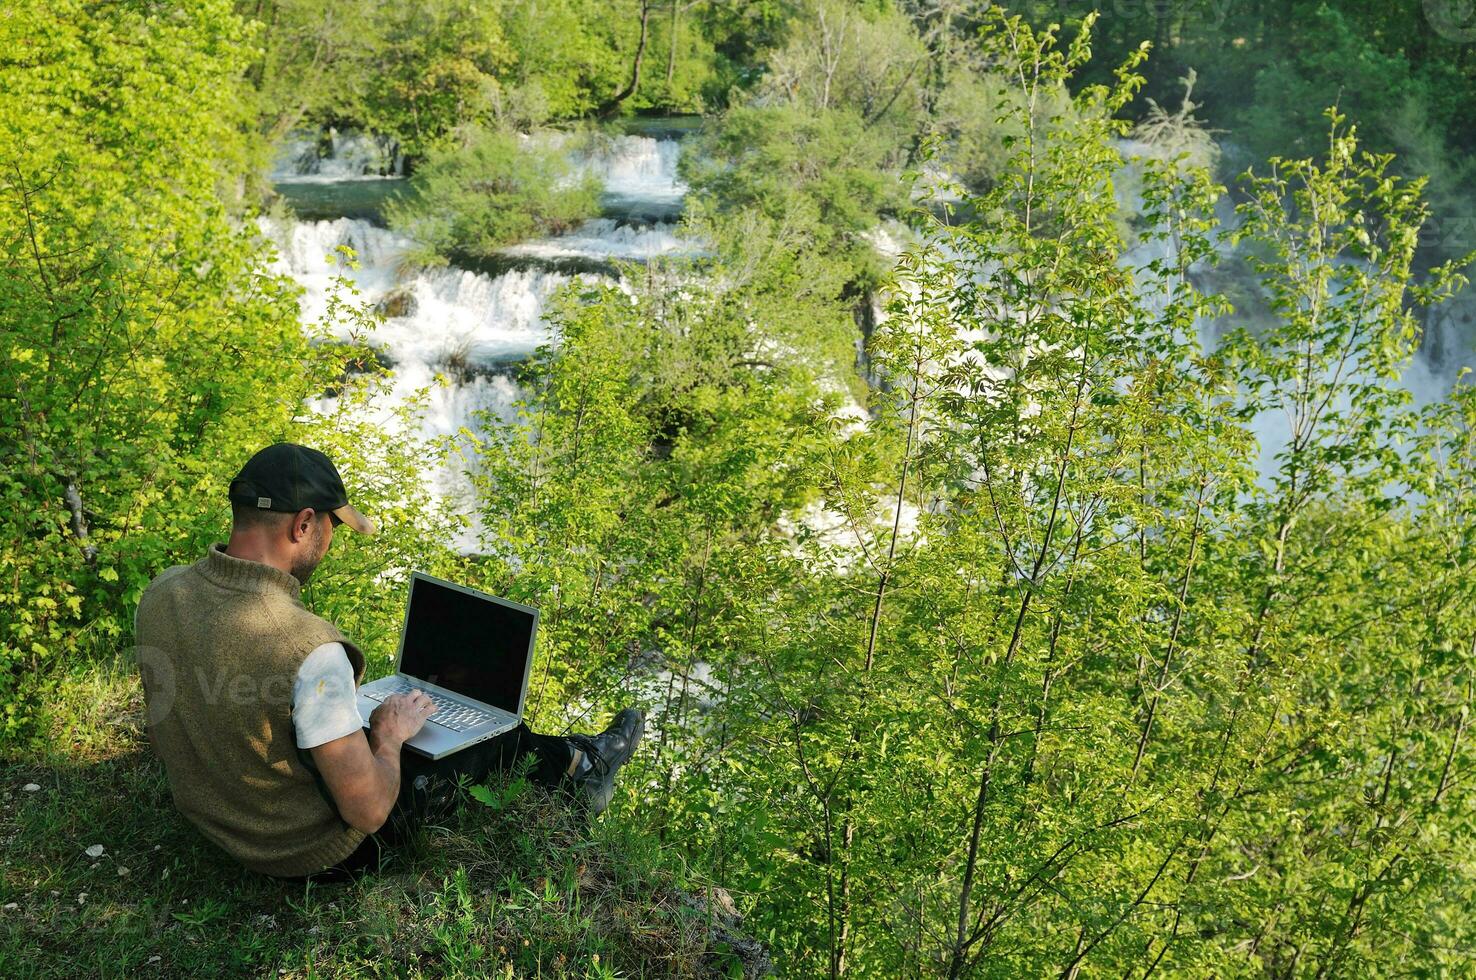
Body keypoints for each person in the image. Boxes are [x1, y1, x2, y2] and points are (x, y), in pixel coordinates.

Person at [133, 443, 643, 882]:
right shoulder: (308, 648)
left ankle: (578, 758)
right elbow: (370, 811)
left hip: (214, 821)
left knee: (413, 727)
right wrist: (389, 735)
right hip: (306, 855)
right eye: (332, 526)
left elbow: (170, 724)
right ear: (303, 524)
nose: (330, 542)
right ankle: (584, 769)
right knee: (494, 737)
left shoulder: (162, 594)